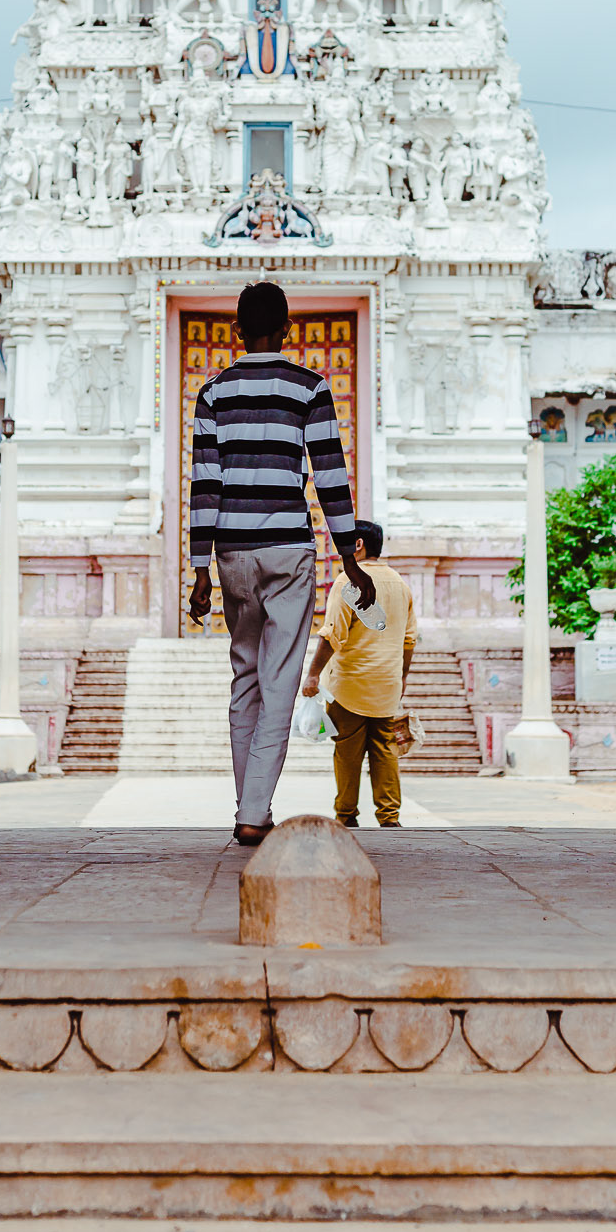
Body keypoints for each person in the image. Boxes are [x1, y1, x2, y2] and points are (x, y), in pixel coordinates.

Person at [188, 280, 375, 846]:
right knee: (278, 681)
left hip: (232, 553)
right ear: (288, 329)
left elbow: (205, 485)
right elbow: (331, 479)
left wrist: (200, 570)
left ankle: (251, 806)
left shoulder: (213, 392)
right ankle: (253, 811)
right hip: (289, 550)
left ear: (237, 330)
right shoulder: (310, 388)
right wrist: (351, 560)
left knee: (245, 676)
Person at [301, 520, 416, 828]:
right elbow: (409, 639)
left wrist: (313, 675)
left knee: (347, 752)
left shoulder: (348, 581)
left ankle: (346, 815)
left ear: (359, 545)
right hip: (387, 685)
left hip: (350, 686)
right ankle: (389, 817)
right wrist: (402, 677)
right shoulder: (400, 584)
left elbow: (333, 634)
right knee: (385, 750)